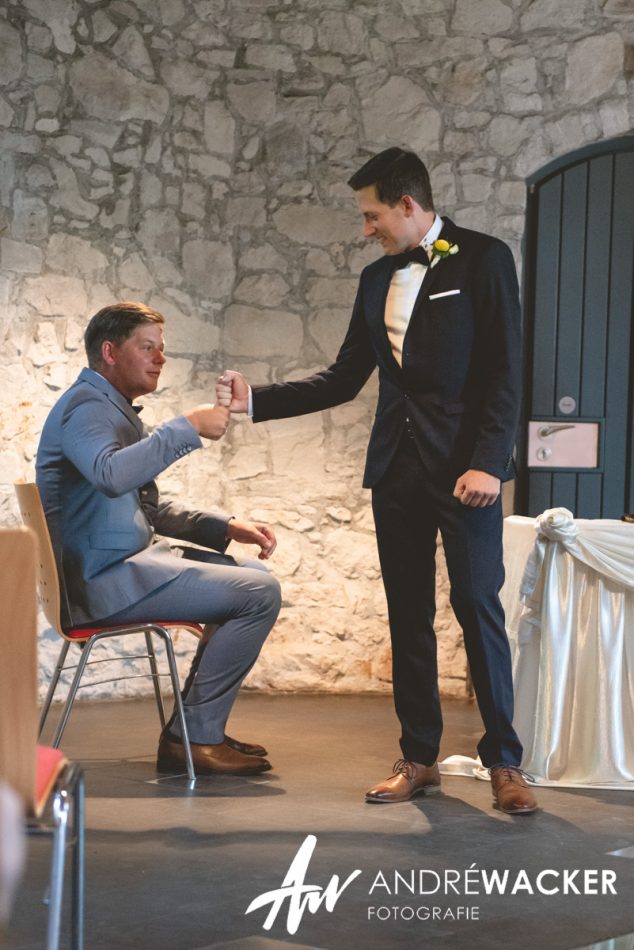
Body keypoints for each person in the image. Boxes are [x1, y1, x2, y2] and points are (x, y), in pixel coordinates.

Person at [216, 147, 537, 814]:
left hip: (465, 471)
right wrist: (255, 400)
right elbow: (342, 379)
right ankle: (418, 757)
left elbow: (506, 371)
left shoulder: (482, 258)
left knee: (478, 606)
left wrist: (488, 461)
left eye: (372, 215)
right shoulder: (372, 282)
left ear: (408, 205)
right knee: (408, 615)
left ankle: (505, 760)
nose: (366, 228)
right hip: (396, 468)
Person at [36, 302, 281, 776]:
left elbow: (146, 507)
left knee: (253, 574)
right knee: (259, 593)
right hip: (102, 582)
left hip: (122, 566)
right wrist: (186, 427)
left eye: (161, 349)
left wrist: (225, 527)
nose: (160, 358)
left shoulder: (108, 407)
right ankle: (197, 738)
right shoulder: (86, 408)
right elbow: (110, 475)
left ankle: (193, 730)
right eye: (147, 347)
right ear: (109, 351)